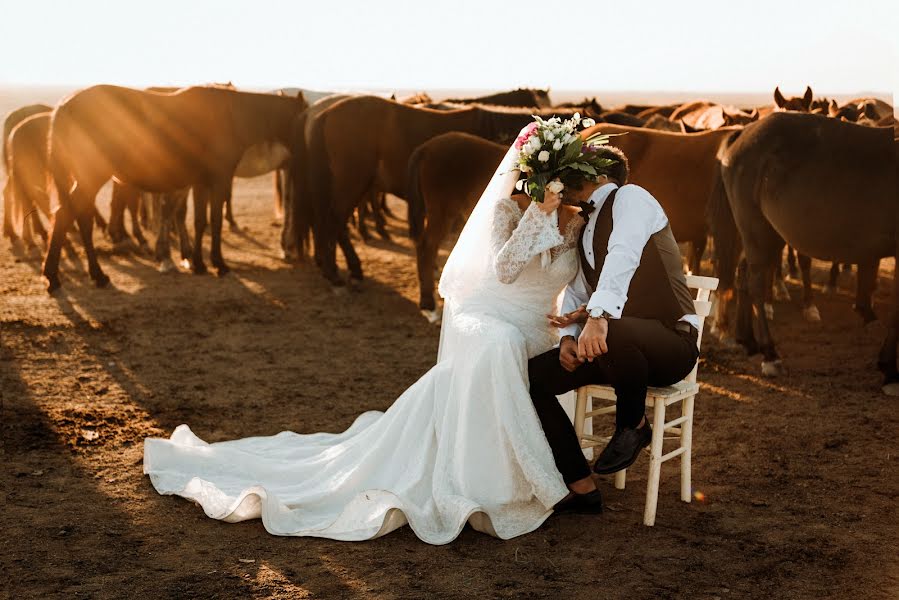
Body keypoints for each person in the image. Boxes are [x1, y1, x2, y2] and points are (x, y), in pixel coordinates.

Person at [143, 123, 610, 544]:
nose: (562, 188)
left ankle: (551, 474)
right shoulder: (508, 211)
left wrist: (578, 318)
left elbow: (580, 283)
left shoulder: (579, 220)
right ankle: (510, 485)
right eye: (552, 177)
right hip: (489, 316)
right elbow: (506, 270)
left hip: (538, 326)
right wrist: (538, 215)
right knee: (498, 346)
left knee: (518, 354)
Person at [528, 147, 701, 513]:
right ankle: (580, 483)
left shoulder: (632, 198)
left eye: (574, 170)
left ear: (596, 173)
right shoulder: (585, 223)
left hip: (671, 345)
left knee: (616, 330)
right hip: (616, 348)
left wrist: (598, 316)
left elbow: (624, 254)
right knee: (535, 377)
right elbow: (578, 288)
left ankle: (633, 423)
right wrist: (569, 339)